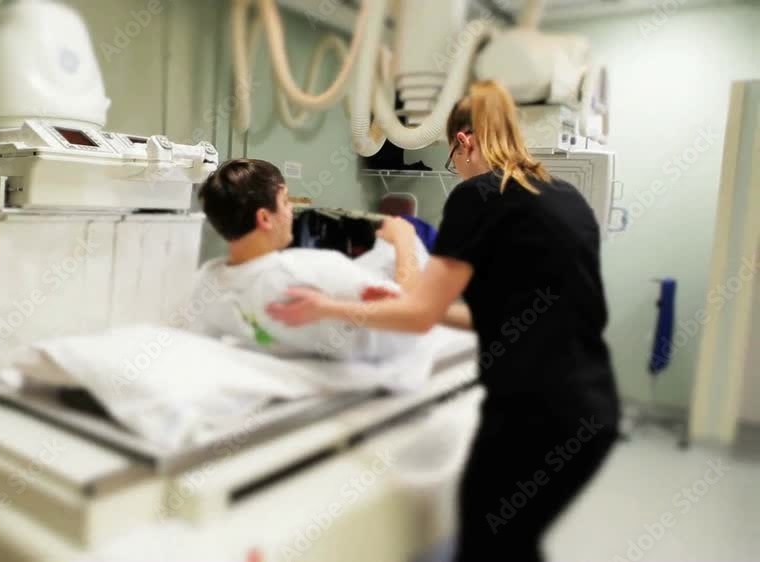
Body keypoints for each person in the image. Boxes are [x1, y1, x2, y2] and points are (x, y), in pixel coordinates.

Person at [266, 81, 621, 561]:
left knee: (488, 544)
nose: (455, 169)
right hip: (592, 410)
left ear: (465, 141)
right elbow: (504, 315)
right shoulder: (563, 196)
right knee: (515, 543)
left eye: (452, 156)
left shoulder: (479, 195)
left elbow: (417, 313)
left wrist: (345, 291)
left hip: (534, 415)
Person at [183, 157, 454, 361]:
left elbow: (194, 342)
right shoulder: (306, 271)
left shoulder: (207, 280)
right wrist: (404, 239)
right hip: (402, 324)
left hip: (363, 279)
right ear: (265, 218)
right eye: (285, 201)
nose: (291, 211)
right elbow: (415, 312)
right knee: (406, 229)